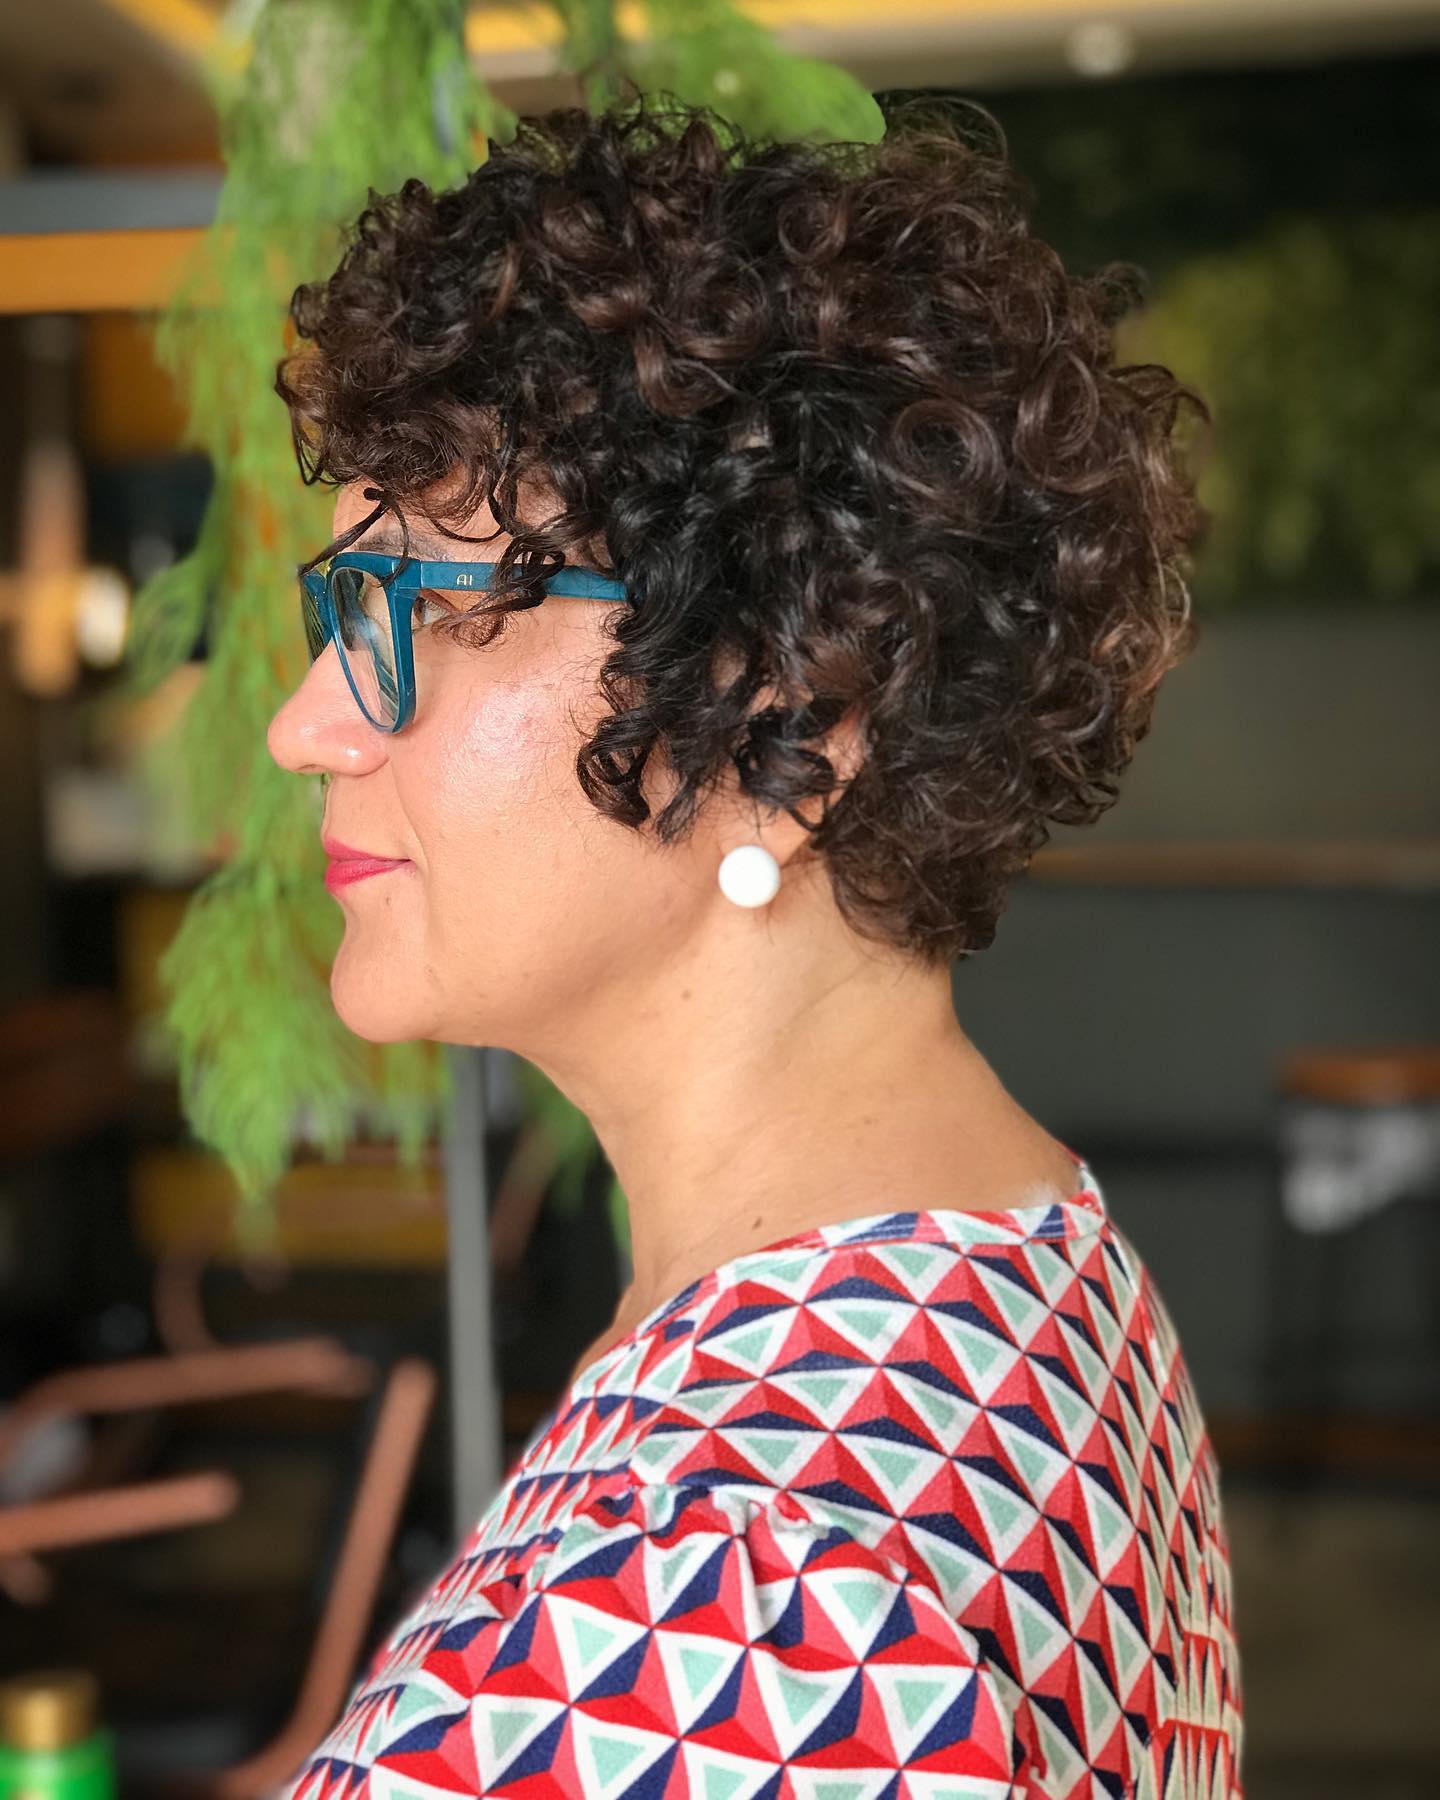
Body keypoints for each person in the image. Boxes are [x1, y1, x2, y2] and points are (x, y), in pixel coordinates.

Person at [266, 92, 1241, 1799]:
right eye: (341, 605)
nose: (304, 726)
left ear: (784, 718)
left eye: (417, 607)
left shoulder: (736, 1607)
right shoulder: (1031, 1261)